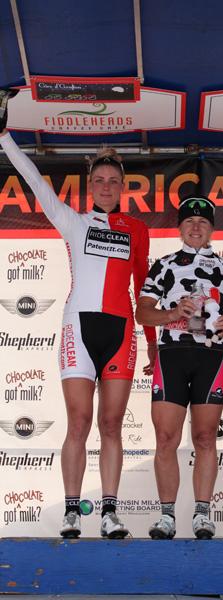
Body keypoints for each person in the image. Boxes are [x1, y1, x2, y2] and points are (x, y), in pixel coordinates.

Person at [0, 93, 157, 539]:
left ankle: (109, 513)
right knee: (80, 422)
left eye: (113, 180)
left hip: (121, 331)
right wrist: (5, 137)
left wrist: (152, 343)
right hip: (78, 327)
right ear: (91, 185)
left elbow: (144, 287)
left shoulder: (137, 229)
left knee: (111, 425)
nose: (106, 186)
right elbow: (34, 182)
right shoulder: (73, 221)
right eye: (100, 180)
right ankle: (72, 511)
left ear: (123, 187)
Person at [135, 196, 223, 539]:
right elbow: (142, 312)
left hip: (210, 356)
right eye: (189, 221)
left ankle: (202, 514)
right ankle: (167, 516)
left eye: (203, 222)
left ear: (212, 229)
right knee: (166, 437)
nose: (196, 227)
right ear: (180, 227)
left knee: (205, 437)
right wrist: (172, 313)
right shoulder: (164, 265)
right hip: (171, 354)